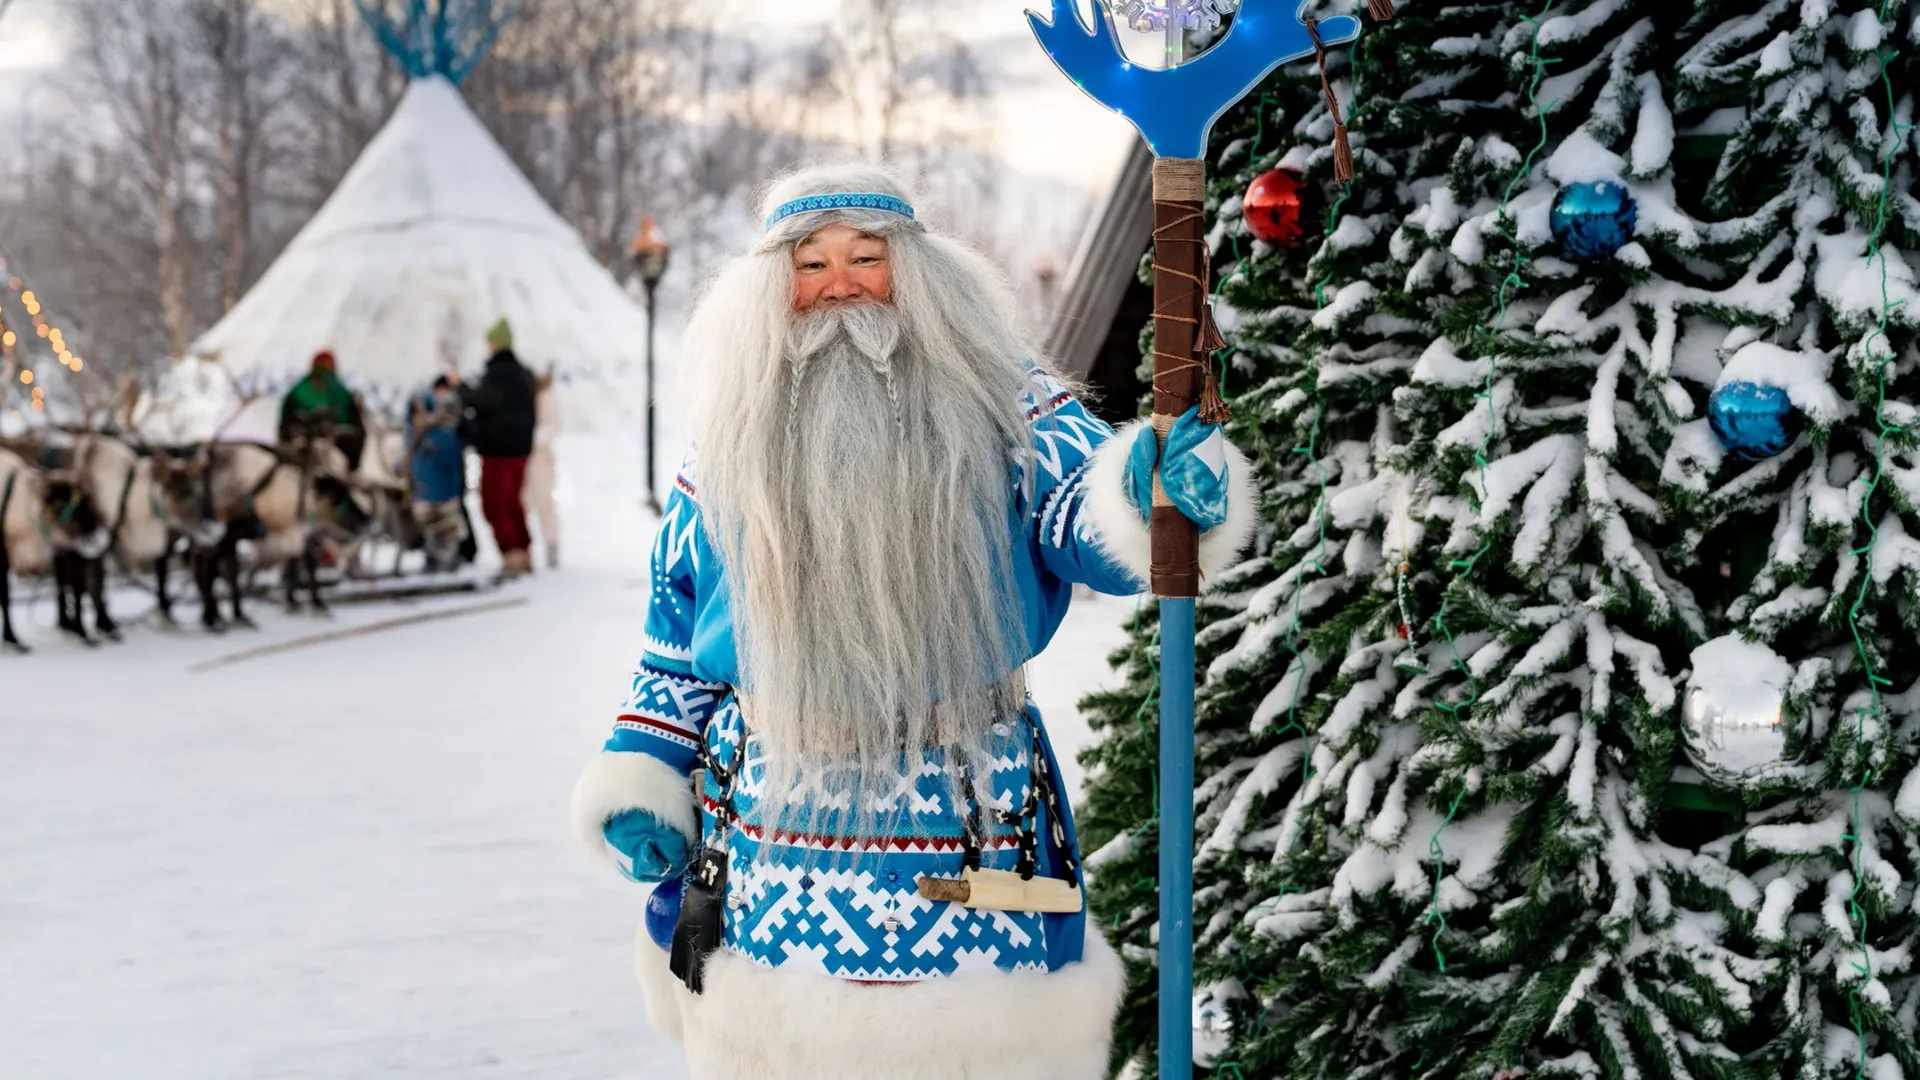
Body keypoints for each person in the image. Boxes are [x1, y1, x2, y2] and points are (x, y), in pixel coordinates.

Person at [567, 164, 1256, 1080]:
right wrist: (646, 768)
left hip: (964, 807)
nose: (840, 285)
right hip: (769, 832)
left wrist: (1144, 493)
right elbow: (676, 640)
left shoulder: (1008, 399)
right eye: (810, 264)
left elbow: (1080, 516)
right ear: (772, 285)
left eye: (866, 257)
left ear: (917, 270)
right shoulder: (726, 433)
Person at [463, 318, 537, 577]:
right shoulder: (523, 374)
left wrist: (461, 390)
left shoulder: (498, 374)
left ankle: (511, 554)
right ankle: (523, 551)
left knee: (493, 504)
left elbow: (483, 401)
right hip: (520, 450)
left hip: (498, 451)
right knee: (513, 503)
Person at [407, 375, 468, 573]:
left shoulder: (441, 430)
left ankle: (445, 556)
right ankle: (435, 555)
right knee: (431, 523)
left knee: (444, 523)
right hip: (428, 488)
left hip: (439, 488)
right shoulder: (422, 432)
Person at [278, 350, 366, 471]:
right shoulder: (340, 393)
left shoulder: (298, 391)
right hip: (319, 454)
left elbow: (284, 426)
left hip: (303, 452)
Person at [523, 367, 560, 570]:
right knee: (523, 504)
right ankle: (527, 549)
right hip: (524, 458)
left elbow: (552, 425)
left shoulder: (545, 397)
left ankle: (551, 546)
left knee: (545, 505)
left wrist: (530, 441)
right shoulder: (524, 394)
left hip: (540, 459)